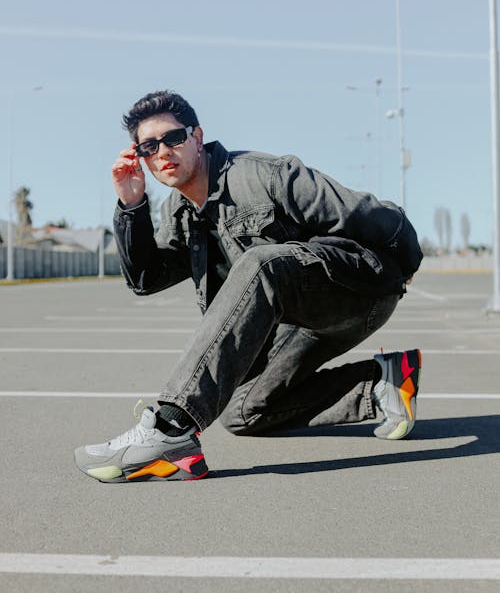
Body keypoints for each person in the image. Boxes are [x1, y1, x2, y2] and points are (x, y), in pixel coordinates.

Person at [75, 90, 423, 483]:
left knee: (260, 263)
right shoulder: (177, 212)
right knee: (244, 412)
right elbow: (145, 280)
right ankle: (380, 380)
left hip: (357, 294)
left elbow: (369, 214)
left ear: (197, 136)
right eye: (149, 146)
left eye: (173, 138)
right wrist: (132, 205)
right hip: (296, 326)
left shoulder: (265, 175)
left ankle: (169, 430)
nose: (163, 152)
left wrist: (406, 263)